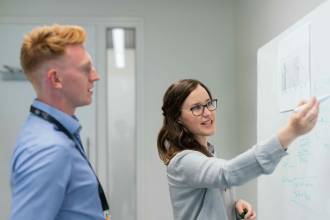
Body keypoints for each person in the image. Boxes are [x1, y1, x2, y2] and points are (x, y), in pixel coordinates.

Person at [157, 79, 319, 220]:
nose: (207, 113)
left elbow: (212, 197)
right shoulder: (182, 162)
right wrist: (290, 132)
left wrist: (233, 206)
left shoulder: (209, 153)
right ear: (178, 117)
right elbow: (227, 173)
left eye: (209, 104)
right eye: (197, 108)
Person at [10, 24, 110, 220]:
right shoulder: (48, 149)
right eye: (86, 69)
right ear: (56, 79)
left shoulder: (55, 132)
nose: (95, 77)